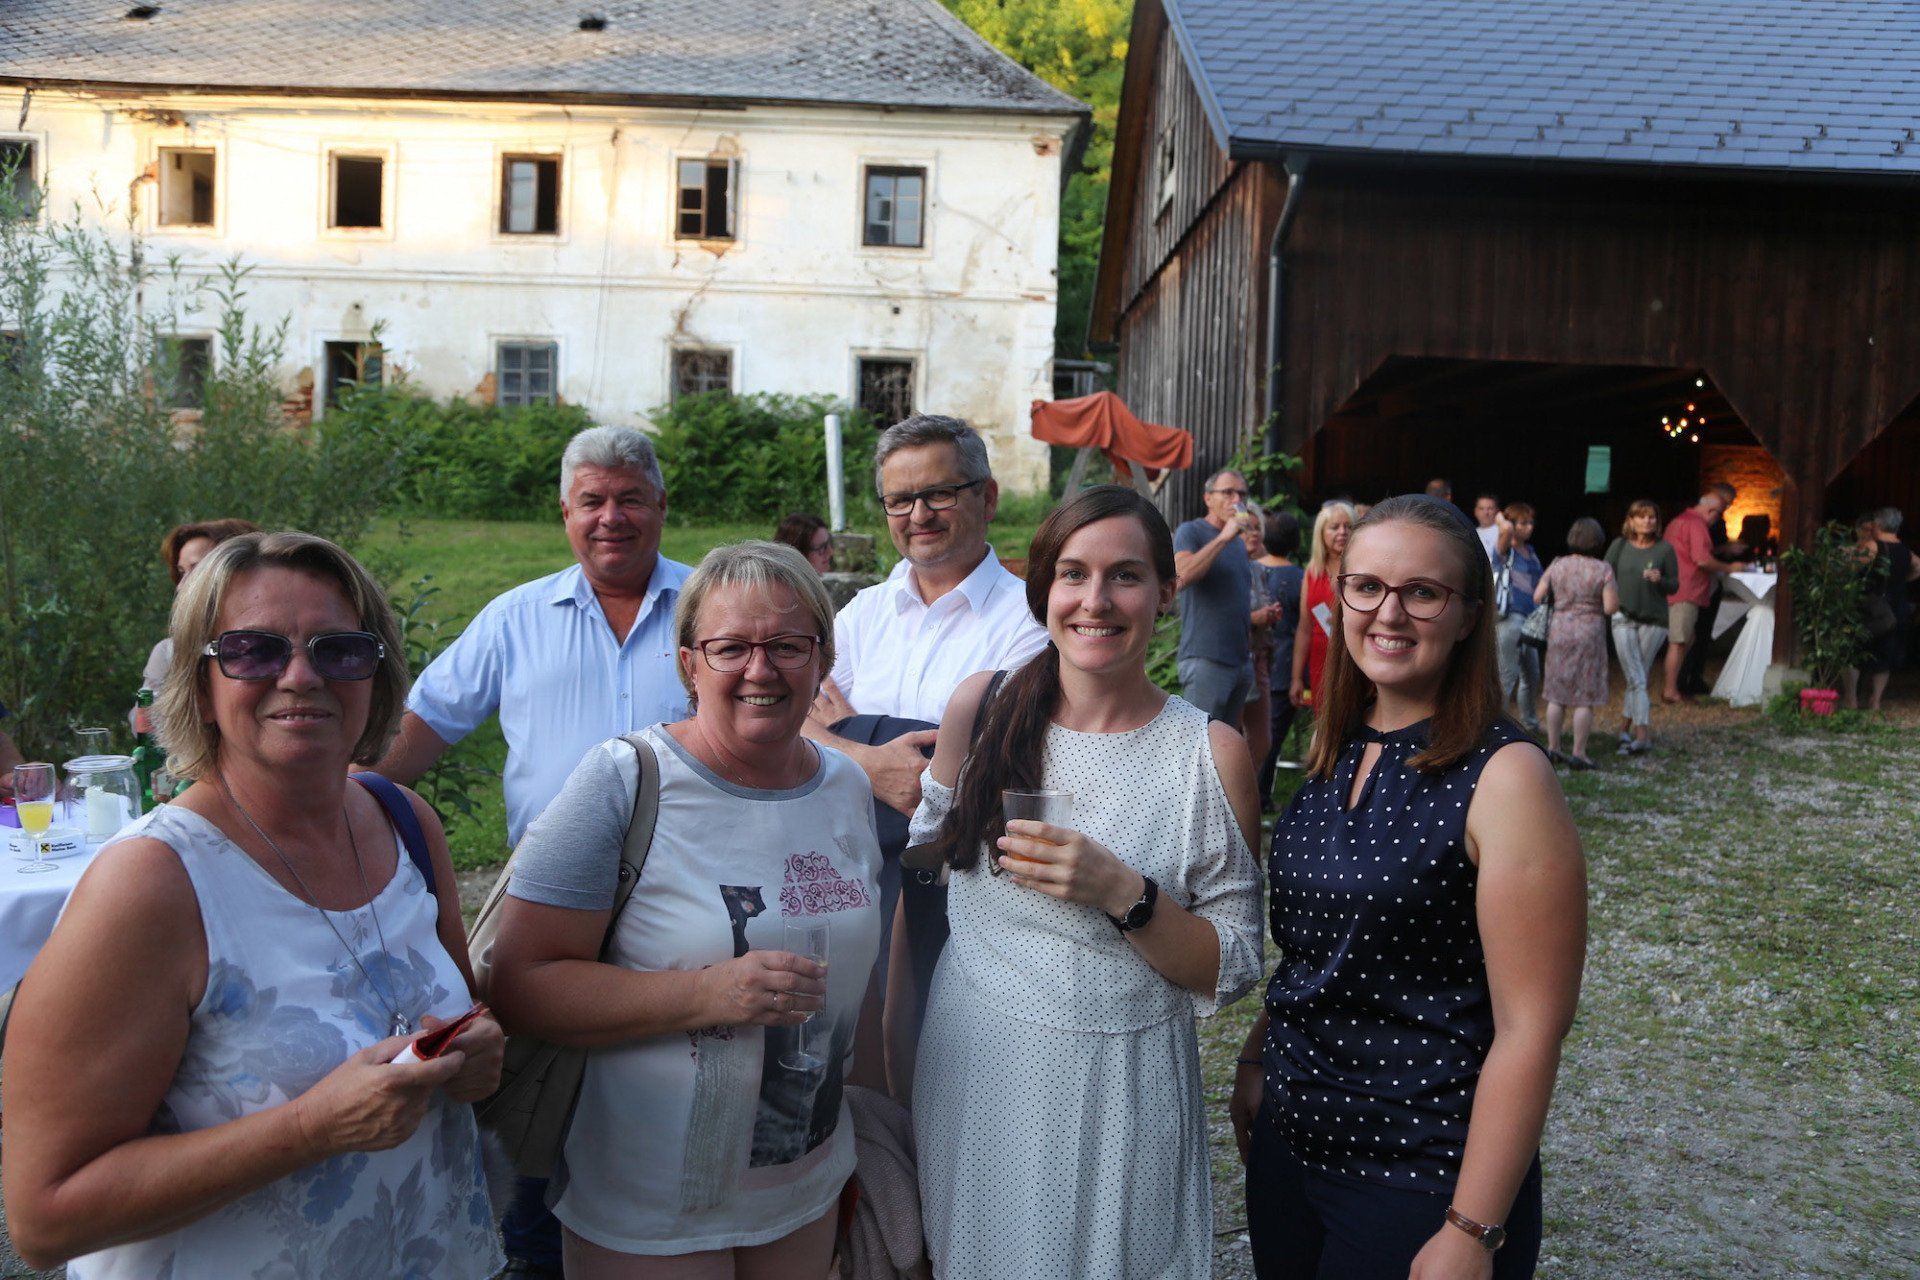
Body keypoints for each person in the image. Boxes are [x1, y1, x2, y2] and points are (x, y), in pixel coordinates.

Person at [2, 531, 505, 1276]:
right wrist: (312, 1128)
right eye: (252, 651)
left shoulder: (402, 821)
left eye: (340, 650)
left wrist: (473, 1060)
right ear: (199, 685)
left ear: (376, 675)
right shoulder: (151, 883)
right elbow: (45, 1219)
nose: (300, 676)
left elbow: (463, 1019)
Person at [487, 541, 884, 1278]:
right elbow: (519, 985)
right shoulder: (626, 781)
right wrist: (708, 994)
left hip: (806, 1184)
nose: (761, 670)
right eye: (730, 647)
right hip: (651, 1207)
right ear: (688, 664)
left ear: (823, 661)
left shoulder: (845, 787)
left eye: (788, 646)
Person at [909, 485, 1263, 1280]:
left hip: (1122, 1093)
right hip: (977, 1069)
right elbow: (926, 885)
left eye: (1125, 576)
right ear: (1044, 590)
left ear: (1166, 592)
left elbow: (1233, 965)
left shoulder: (1209, 754)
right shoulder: (982, 708)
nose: (1095, 600)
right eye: (1073, 574)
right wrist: (890, 1077)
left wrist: (1122, 893)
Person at [1233, 494, 1587, 1280]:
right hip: (1291, 1150)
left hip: (1421, 1170)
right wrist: (1256, 1062)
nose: (1388, 613)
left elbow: (1532, 1028)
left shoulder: (1506, 777)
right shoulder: (1338, 749)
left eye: (1422, 592)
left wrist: (1473, 1227)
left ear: (1468, 616)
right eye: (1366, 587)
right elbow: (1324, 952)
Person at [371, 423, 692, 1279]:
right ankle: (535, 1255)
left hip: (684, 901)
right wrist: (335, 804)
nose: (611, 517)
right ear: (564, 513)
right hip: (550, 907)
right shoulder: (516, 619)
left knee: (660, 1091)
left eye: (630, 499)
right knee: (535, 1102)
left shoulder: (709, 607)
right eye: (593, 501)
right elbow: (419, 730)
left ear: (662, 506)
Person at [804, 414, 1048, 1093]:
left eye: (939, 493)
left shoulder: (1031, 621)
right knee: (855, 1071)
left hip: (963, 890)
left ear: (987, 497)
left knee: (947, 1073)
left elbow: (969, 771)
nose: (918, 515)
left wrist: (841, 730)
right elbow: (788, 724)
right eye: (900, 500)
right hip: (852, 878)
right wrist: (867, 756)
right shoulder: (859, 616)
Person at [134, 518, 261, 730]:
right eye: (181, 572)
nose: (181, 585)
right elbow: (146, 728)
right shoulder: (169, 653)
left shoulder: (279, 645)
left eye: (197, 569)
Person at [1172, 470, 1259, 722]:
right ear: (1208, 498)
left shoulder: (1239, 544)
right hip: (1206, 658)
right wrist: (1223, 537)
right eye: (1228, 492)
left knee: (1226, 741)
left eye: (1242, 494)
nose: (1237, 500)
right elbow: (1181, 576)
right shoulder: (1191, 531)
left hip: (1240, 661)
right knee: (1199, 738)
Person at [1536, 518, 1618, 769]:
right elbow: (1610, 607)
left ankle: (1553, 747)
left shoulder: (1557, 564)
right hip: (1589, 632)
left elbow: (1538, 596)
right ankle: (1579, 753)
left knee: (1556, 693)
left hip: (1560, 630)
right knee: (1585, 695)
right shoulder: (1602, 569)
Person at [1660, 489, 1748, 704]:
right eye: (1719, 514)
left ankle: (1674, 686)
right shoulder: (1696, 525)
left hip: (1677, 587)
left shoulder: (1679, 521)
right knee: (1679, 641)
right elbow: (1702, 560)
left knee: (1686, 638)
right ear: (1711, 511)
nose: (1718, 519)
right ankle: (1670, 690)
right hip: (1686, 589)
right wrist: (1730, 568)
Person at [1605, 501, 1679, 754]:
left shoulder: (1665, 550)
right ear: (1631, 520)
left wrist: (1661, 580)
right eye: (1641, 516)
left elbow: (1675, 585)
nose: (1647, 521)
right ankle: (1642, 735)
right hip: (1623, 616)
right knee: (1637, 677)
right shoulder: (1619, 546)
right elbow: (1605, 575)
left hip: (1654, 619)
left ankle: (1624, 729)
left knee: (1637, 675)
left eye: (1651, 517)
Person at [1254, 510, 1305, 805]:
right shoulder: (1300, 578)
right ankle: (1260, 795)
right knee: (1270, 737)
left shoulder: (1249, 570)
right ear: (1296, 543)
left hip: (1250, 661)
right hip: (1284, 666)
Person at [1843, 508, 1917, 710]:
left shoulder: (1873, 546)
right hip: (1896, 607)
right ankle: (1875, 701)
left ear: (1880, 524)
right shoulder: (1905, 550)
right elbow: (1918, 567)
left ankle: (1851, 699)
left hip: (1871, 606)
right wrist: (1900, 581)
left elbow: (1851, 566)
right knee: (1885, 655)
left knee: (1853, 651)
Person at [1289, 501, 1355, 712]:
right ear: (1321, 533)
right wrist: (1297, 677)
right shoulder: (1312, 572)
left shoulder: (1362, 569)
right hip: (1320, 662)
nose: (1342, 532)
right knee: (1323, 718)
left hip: (1354, 659)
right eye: (1335, 527)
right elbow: (1304, 627)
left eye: (1348, 526)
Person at [1491, 502, 1544, 735]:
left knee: (1532, 675)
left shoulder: (1530, 551)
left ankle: (1529, 723)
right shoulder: (1504, 549)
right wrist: (1503, 519)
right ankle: (1496, 728)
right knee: (1507, 675)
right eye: (1523, 523)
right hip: (1510, 618)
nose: (1529, 527)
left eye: (1531, 522)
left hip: (1530, 620)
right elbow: (1505, 530)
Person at [1473, 494, 1501, 563]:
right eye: (1481, 508)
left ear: (1497, 511)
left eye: (1490, 508)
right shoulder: (1471, 534)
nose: (1486, 512)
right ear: (1475, 511)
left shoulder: (1503, 532)